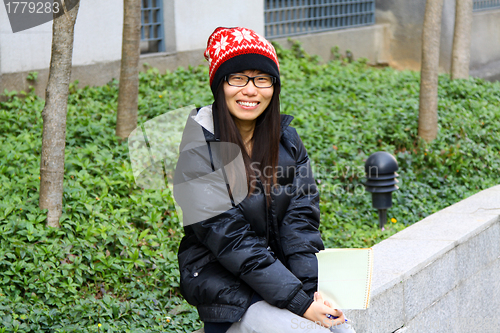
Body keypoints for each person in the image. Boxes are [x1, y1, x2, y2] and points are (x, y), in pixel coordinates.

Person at [174, 27, 355, 333]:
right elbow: (231, 240)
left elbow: (300, 224)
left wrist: (312, 293)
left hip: (279, 280)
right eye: (238, 78)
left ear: (273, 86)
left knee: (340, 328)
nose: (250, 90)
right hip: (227, 287)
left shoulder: (287, 142)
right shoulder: (198, 152)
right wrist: (302, 306)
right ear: (220, 85)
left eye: (262, 78)